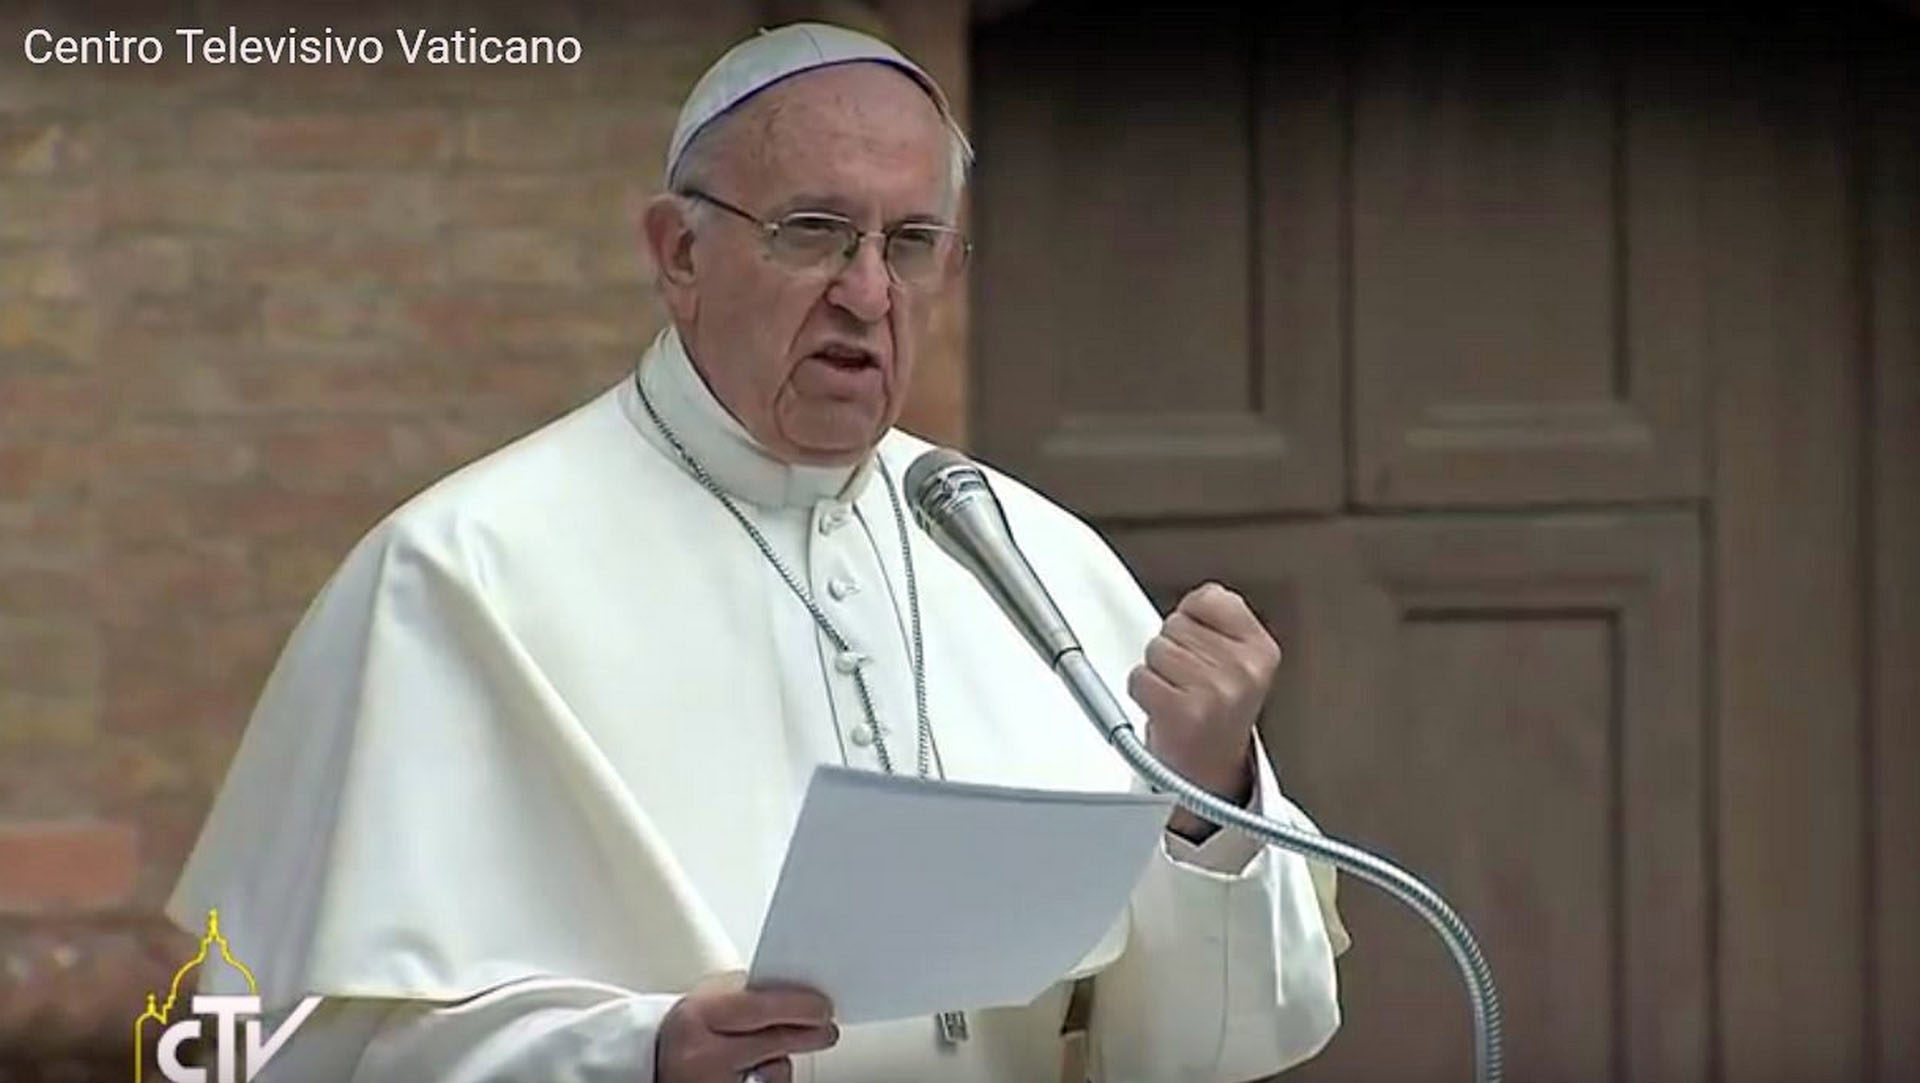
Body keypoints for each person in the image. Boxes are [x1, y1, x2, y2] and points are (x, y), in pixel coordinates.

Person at [167, 22, 1348, 1083]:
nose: (869, 293)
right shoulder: (456, 573)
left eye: (915, 241)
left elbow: (1216, 1044)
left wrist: (1209, 802)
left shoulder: (1029, 552)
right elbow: (269, 1049)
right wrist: (637, 1057)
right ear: (677, 252)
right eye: (816, 232)